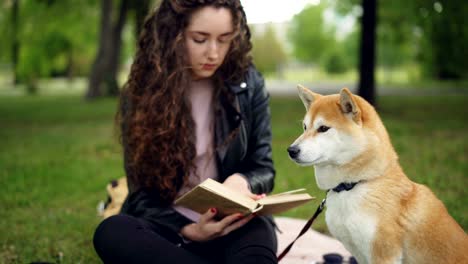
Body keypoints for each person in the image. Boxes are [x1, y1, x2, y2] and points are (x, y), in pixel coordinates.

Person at [93, 0, 277, 263]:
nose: (213, 53)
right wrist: (190, 230)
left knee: (258, 234)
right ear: (173, 35)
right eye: (200, 39)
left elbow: (263, 167)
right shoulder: (142, 92)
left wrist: (240, 182)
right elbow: (142, 194)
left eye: (224, 40)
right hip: (168, 229)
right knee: (111, 232)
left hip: (232, 223)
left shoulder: (248, 84)